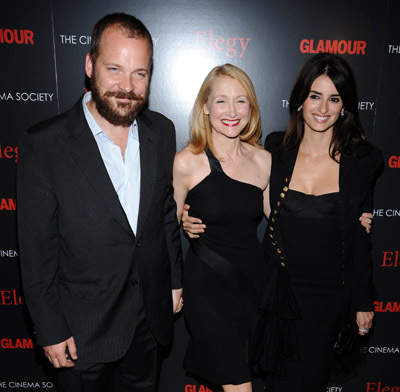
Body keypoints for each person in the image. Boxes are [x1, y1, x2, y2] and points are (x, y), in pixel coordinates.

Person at [182, 54, 380, 391]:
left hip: (328, 294)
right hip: (278, 292)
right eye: (315, 96)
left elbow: (361, 237)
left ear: (344, 106)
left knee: (312, 379)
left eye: (334, 98)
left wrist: (364, 301)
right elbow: (235, 193)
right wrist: (192, 213)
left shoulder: (362, 161)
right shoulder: (277, 151)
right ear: (300, 99)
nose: (323, 107)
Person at [17, 13, 183, 392]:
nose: (127, 86)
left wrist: (174, 281)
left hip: (147, 324)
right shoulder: (44, 145)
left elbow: (165, 214)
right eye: (115, 69)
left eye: (140, 73)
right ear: (90, 65)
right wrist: (49, 328)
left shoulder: (162, 131)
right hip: (80, 332)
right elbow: (36, 249)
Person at [173, 64, 271, 392]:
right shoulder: (187, 161)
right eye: (221, 101)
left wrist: (348, 216)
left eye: (241, 101)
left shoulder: (264, 160)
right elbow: (165, 230)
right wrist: (172, 285)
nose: (232, 112)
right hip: (209, 288)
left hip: (253, 285)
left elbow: (283, 218)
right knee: (239, 386)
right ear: (205, 107)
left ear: (251, 108)